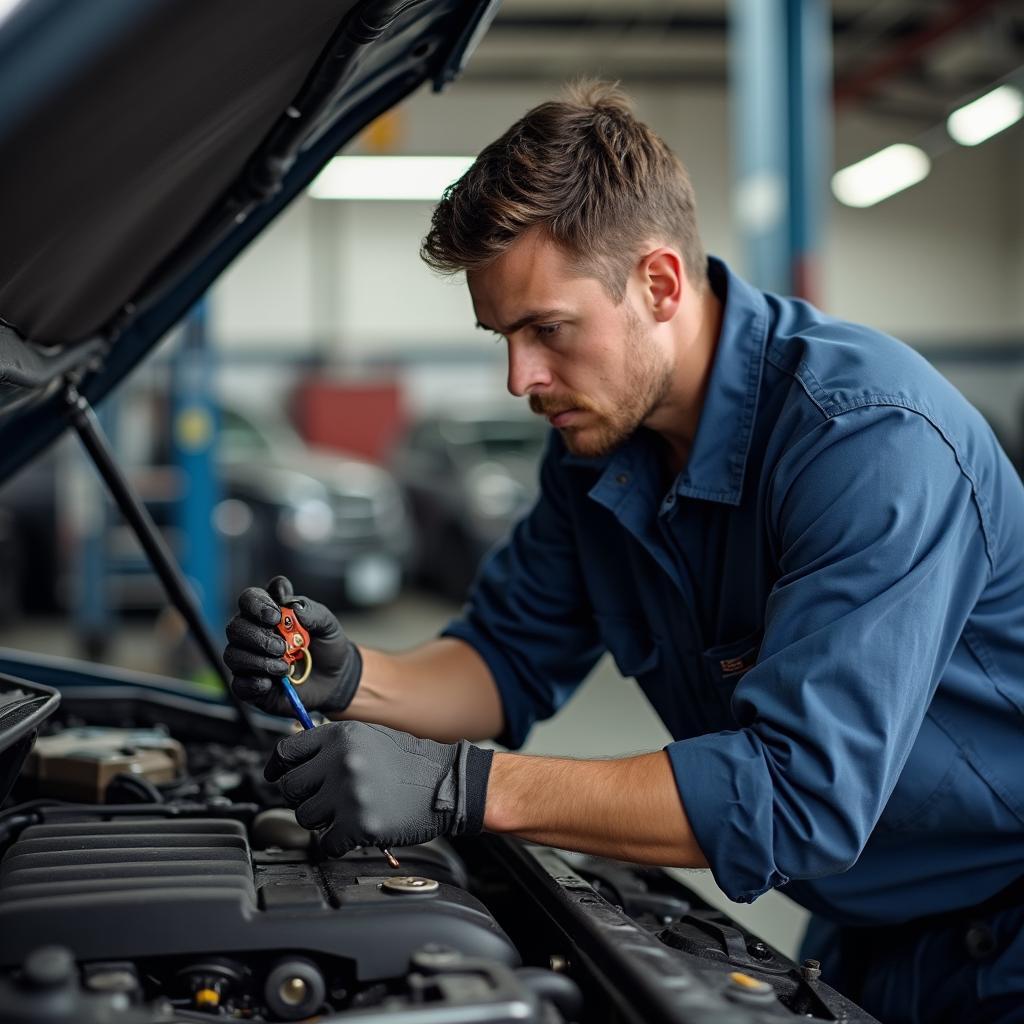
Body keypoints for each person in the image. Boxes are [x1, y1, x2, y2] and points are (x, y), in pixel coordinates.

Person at [224, 82, 1024, 1022]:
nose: (521, 377)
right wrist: (349, 675)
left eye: (547, 330)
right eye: (502, 338)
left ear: (659, 284)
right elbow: (506, 658)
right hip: (865, 926)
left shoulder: (867, 442)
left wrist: (460, 786)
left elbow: (798, 793)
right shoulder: (597, 454)